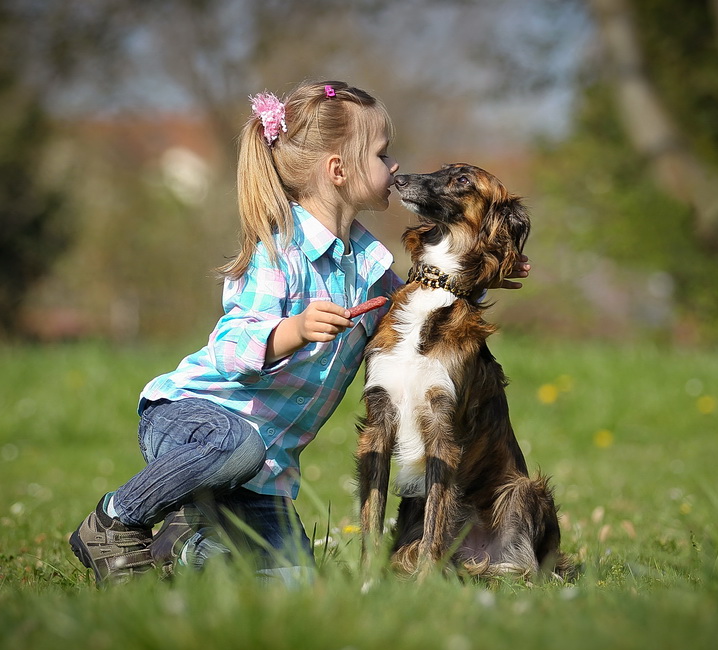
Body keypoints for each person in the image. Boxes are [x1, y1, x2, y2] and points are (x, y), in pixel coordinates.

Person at [68, 79, 530, 586]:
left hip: (265, 473)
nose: (394, 166)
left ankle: (187, 535)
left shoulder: (371, 266)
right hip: (197, 423)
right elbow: (228, 348)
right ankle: (115, 520)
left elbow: (426, 305)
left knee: (294, 586)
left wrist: (489, 262)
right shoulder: (278, 251)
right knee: (235, 446)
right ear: (339, 170)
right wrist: (292, 329)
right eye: (382, 154)